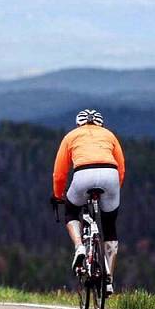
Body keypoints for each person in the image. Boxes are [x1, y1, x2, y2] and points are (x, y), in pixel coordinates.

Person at [51, 109, 125, 294]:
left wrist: (58, 195)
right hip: (111, 175)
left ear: (79, 123)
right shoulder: (110, 135)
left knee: (71, 211)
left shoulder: (71, 136)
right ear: (100, 123)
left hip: (83, 174)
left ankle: (79, 247)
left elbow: (60, 173)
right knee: (109, 225)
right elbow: (121, 168)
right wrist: (114, 190)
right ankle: (108, 279)